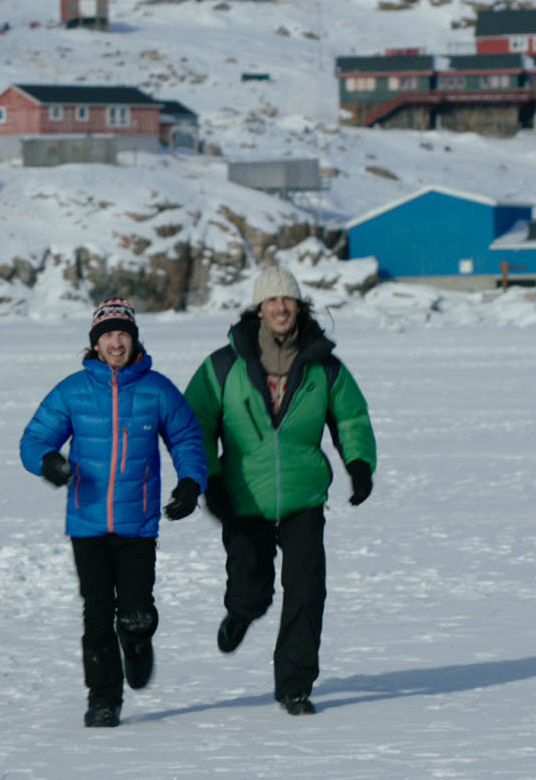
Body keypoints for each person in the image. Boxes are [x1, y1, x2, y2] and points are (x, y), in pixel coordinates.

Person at [183, 267, 377, 717]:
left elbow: (351, 418)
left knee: (306, 588)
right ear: (259, 309)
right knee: (252, 587)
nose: (281, 308)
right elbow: (195, 422)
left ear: (299, 305)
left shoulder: (323, 365)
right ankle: (241, 612)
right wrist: (207, 479)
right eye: (272, 301)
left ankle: (295, 685)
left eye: (287, 300)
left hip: (303, 495)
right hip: (242, 494)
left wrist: (359, 464)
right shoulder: (223, 365)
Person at [20, 298, 208, 728]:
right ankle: (104, 698)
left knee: (136, 611)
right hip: (86, 522)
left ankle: (138, 641)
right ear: (96, 343)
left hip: (138, 522)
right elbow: (33, 439)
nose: (116, 342)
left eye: (123, 334)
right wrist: (49, 462)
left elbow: (187, 439)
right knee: (97, 612)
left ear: (134, 339)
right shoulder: (72, 390)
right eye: (108, 335)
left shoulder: (157, 389)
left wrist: (191, 482)